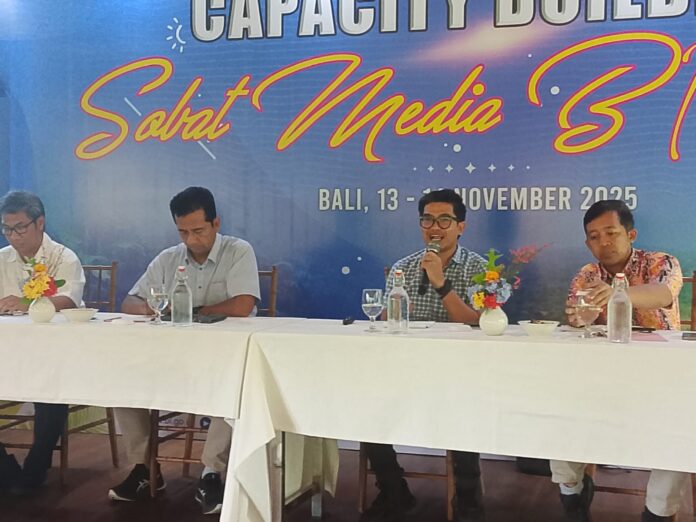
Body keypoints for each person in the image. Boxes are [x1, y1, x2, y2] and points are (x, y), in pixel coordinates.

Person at [108, 187, 260, 515]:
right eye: (183, 232)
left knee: (237, 383)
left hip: (223, 359)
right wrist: (150, 308)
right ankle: (145, 469)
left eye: (198, 230)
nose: (191, 240)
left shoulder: (238, 251)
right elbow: (129, 302)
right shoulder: (168, 258)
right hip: (171, 359)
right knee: (122, 382)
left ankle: (211, 473)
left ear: (216, 223)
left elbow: (243, 304)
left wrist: (190, 310)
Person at [552, 199, 688, 522]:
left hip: (661, 378)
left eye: (611, 233)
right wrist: (580, 317)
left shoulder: (661, 262)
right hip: (603, 378)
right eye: (594, 237)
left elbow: (664, 293)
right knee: (559, 415)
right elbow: (576, 318)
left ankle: (657, 512)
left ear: (631, 234)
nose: (604, 242)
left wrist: (618, 293)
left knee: (685, 428)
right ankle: (572, 495)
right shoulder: (587, 274)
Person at [362, 189, 487, 522]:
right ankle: (393, 490)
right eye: (427, 220)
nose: (435, 227)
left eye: (444, 220)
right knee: (363, 399)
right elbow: (388, 324)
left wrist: (440, 282)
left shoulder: (479, 269)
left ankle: (468, 498)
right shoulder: (403, 267)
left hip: (460, 373)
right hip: (407, 369)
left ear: (460, 226)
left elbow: (478, 322)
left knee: (465, 404)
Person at [0, 190, 84, 495]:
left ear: (40, 223)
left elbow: (68, 299)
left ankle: (36, 468)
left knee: (51, 391)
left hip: (54, 355)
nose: (13, 236)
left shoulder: (63, 257)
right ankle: (6, 470)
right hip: (8, 353)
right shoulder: (2, 258)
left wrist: (25, 302)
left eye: (20, 227)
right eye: (7, 229)